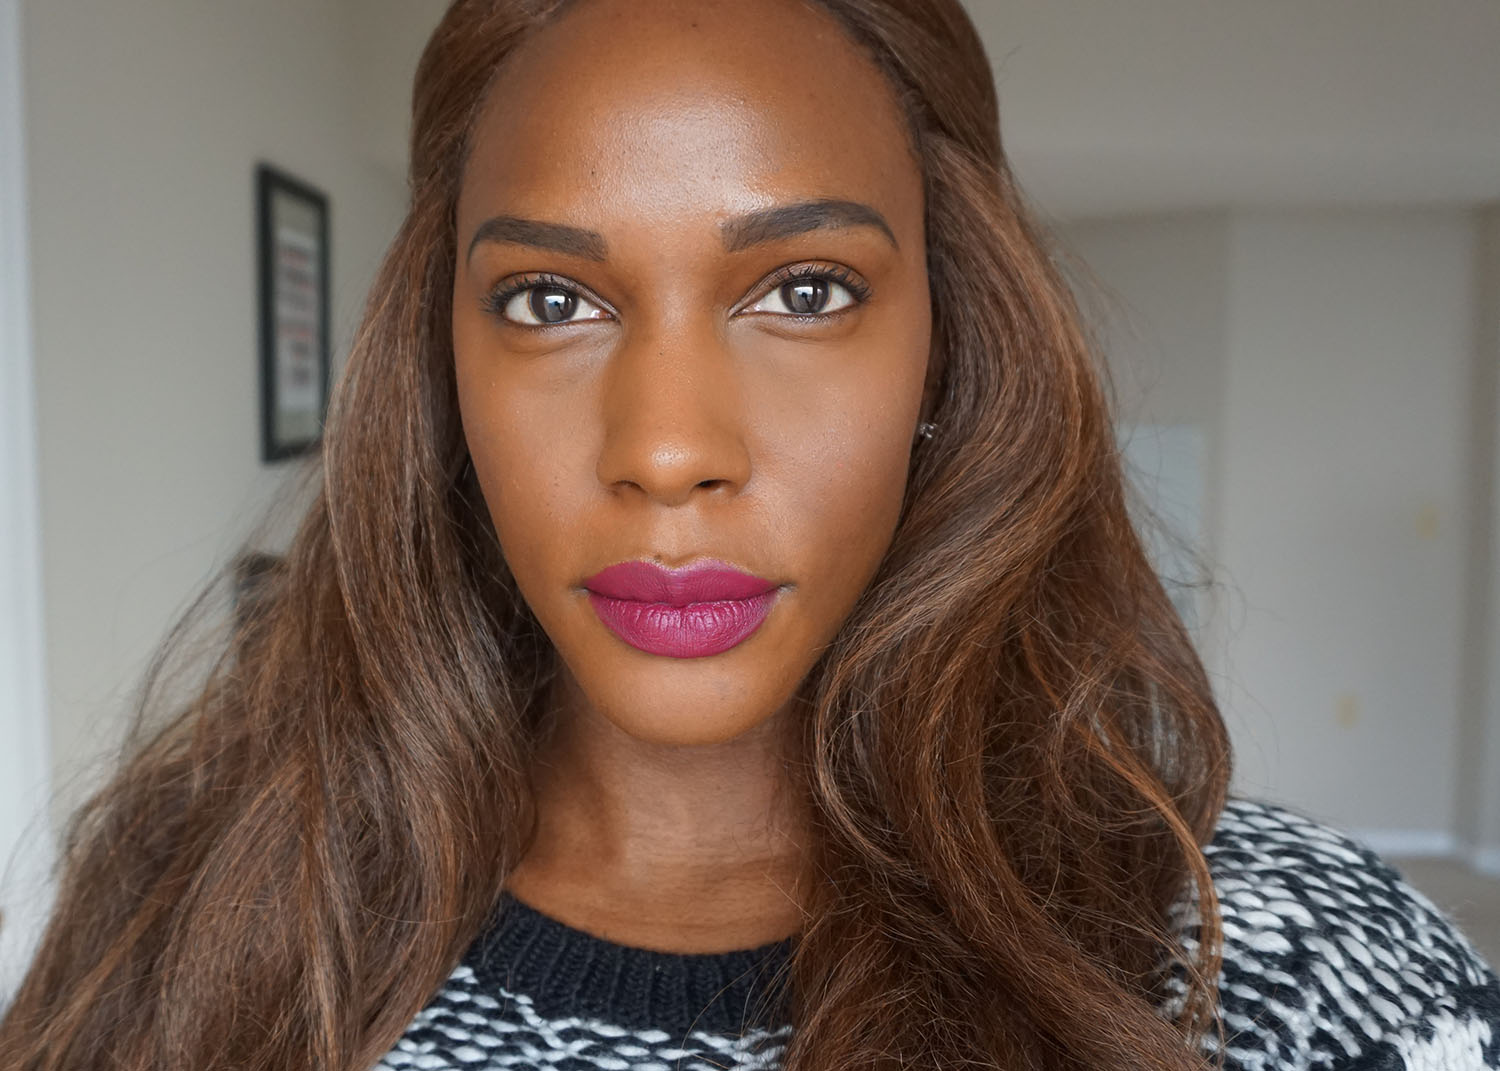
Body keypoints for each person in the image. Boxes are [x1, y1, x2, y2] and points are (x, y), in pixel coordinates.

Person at [4, 0, 1498, 1068]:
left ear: (950, 343)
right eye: (551, 300)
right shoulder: (191, 914)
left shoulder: (1291, 973)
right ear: (439, 367)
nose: (668, 452)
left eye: (805, 291)